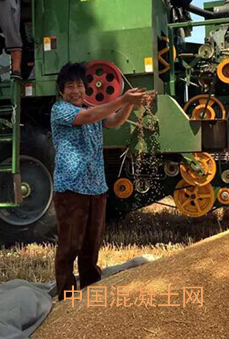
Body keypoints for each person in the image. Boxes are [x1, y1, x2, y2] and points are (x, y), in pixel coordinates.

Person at [50, 62, 148, 301]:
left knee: (91, 246)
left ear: (86, 88)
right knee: (69, 246)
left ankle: (90, 293)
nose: (76, 91)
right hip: (71, 187)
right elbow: (89, 116)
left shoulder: (93, 108)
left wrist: (130, 104)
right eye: (70, 86)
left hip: (96, 186)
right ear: (62, 90)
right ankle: (67, 298)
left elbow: (114, 121)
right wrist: (123, 99)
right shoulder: (60, 110)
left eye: (80, 86)